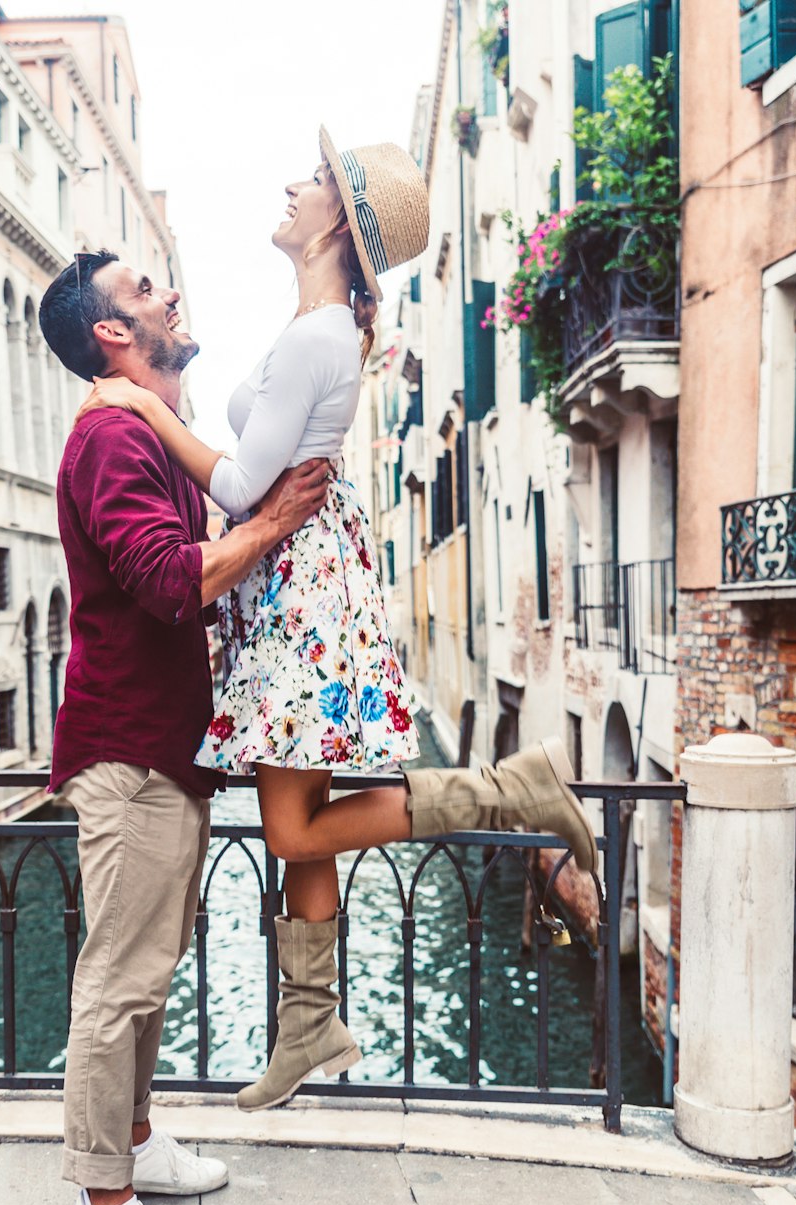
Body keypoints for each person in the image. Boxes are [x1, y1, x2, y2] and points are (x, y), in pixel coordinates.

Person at [72, 132, 596, 1120]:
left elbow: (235, 482)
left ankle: (505, 792)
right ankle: (309, 1022)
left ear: (336, 223)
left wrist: (141, 414)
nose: (289, 182)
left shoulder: (316, 337)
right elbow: (258, 472)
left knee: (286, 828)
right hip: (298, 579)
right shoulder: (312, 325)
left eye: (309, 179)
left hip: (298, 589)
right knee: (301, 830)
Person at [38, 245, 332, 1205]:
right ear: (111, 334)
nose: (169, 293)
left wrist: (245, 531)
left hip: (163, 745)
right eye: (144, 290)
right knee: (117, 982)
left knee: (146, 971)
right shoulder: (112, 436)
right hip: (125, 750)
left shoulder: (141, 432)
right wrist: (268, 525)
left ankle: (136, 1143)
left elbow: (184, 569)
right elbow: (170, 580)